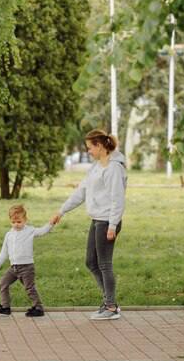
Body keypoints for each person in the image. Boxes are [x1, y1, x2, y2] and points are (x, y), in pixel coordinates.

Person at [51, 129, 127, 320]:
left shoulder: (114, 168)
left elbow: (117, 199)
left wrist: (112, 226)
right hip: (97, 220)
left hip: (107, 221)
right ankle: (109, 302)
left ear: (100, 146)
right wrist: (62, 210)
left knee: (104, 264)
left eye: (90, 148)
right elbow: (81, 192)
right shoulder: (96, 167)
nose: (89, 152)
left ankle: (110, 307)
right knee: (91, 262)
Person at [0, 204, 52, 317]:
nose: (16, 225)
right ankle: (5, 307)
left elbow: (43, 231)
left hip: (27, 267)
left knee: (29, 288)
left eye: (19, 222)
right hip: (14, 268)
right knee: (3, 284)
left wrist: (51, 223)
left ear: (25, 220)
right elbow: (4, 251)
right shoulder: (9, 235)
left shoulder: (30, 230)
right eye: (13, 222)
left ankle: (38, 308)